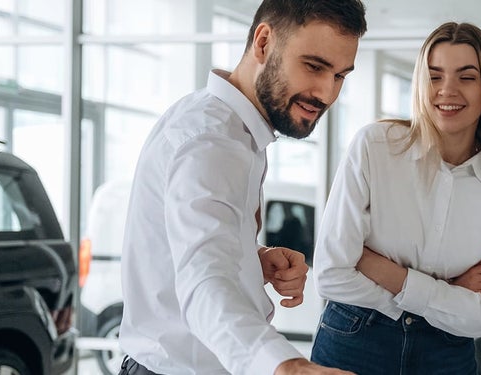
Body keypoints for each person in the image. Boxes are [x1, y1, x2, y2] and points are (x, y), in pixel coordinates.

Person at [117, 1, 364, 374]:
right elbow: (204, 279)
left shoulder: (228, 128)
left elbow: (191, 250)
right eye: (314, 66)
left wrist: (252, 260)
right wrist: (285, 366)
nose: (326, 93)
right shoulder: (211, 140)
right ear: (264, 42)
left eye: (340, 76)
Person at [312, 22, 481, 374]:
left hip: (445, 354)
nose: (447, 90)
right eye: (434, 76)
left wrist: (383, 270)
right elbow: (331, 274)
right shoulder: (375, 147)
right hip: (354, 340)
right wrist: (448, 290)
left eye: (467, 77)